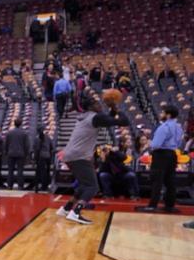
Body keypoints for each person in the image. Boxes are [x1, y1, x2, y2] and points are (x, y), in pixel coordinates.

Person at [57, 95, 130, 225]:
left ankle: (66, 208)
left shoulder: (87, 116)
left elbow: (108, 119)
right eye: (97, 103)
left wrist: (112, 109)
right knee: (93, 186)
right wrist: (117, 109)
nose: (100, 105)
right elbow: (124, 122)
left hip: (70, 154)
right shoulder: (96, 117)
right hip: (79, 155)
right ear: (91, 106)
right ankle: (76, 212)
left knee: (85, 185)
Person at [137, 104, 183, 213]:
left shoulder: (164, 127)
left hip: (161, 155)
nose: (160, 114)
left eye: (162, 113)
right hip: (172, 154)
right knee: (170, 180)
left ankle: (153, 205)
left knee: (157, 180)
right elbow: (179, 142)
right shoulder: (178, 127)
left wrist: (149, 142)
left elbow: (156, 144)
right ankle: (170, 205)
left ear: (168, 115)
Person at [4, 117, 31, 189]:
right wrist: (26, 154)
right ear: (21, 124)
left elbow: (6, 143)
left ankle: (9, 186)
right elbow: (27, 145)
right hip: (20, 154)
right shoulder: (24, 133)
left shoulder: (9, 132)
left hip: (11, 153)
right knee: (20, 170)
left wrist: (6, 152)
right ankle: (20, 186)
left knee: (10, 170)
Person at [33, 125, 54, 193]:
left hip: (40, 156)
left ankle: (38, 186)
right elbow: (51, 147)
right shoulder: (48, 137)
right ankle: (45, 186)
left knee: (39, 172)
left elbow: (36, 149)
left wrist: (35, 159)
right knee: (46, 172)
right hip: (47, 156)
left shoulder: (37, 138)